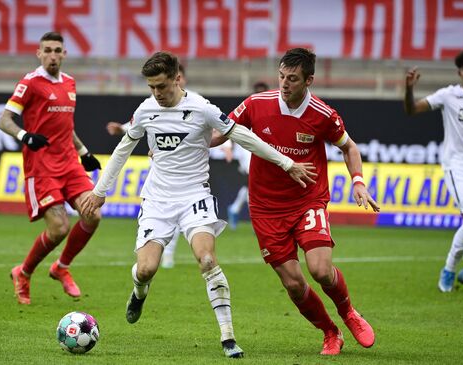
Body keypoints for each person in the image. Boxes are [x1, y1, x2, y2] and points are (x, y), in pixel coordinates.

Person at [82, 51, 316, 358]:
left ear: (177, 78)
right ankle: (139, 291)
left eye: (162, 86)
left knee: (207, 260)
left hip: (195, 195)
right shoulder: (146, 111)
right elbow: (123, 150)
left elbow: (243, 135)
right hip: (158, 200)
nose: (157, 94)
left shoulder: (201, 108)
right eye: (151, 87)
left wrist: (286, 163)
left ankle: (228, 337)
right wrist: (100, 191)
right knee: (146, 269)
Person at [214, 48, 380, 356]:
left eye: (292, 78)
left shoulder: (323, 114)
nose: (285, 83)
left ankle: (349, 312)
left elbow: (350, 147)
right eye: (281, 76)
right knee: (293, 284)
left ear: (309, 80)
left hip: (307, 199)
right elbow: (220, 133)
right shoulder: (256, 104)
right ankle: (330, 332)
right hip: (265, 207)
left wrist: (358, 181)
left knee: (320, 270)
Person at [0, 31, 102, 305]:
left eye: (57, 50)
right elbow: (4, 120)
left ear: (64, 54)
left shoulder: (69, 83)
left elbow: (66, 127)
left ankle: (61, 267)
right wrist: (25, 136)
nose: (53, 55)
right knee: (58, 228)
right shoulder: (30, 83)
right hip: (42, 166)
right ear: (39, 53)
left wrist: (84, 152)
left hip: (69, 163)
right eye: (48, 50)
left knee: (93, 215)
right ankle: (23, 272)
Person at [404, 50, 463, 294]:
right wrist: (409, 90)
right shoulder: (448, 95)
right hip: (457, 166)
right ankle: (448, 270)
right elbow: (412, 110)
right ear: (459, 73)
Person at [105, 64, 190, 269]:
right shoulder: (154, 103)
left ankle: (167, 255)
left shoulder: (194, 104)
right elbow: (141, 121)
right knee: (158, 214)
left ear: (179, 79)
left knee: (180, 215)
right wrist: (122, 129)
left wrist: (225, 146)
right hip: (161, 170)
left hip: (186, 173)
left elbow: (214, 128)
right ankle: (151, 252)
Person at [226, 81, 270, 229]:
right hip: (247, 149)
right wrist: (230, 148)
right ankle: (257, 220)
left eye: (262, 92)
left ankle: (235, 209)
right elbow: (232, 127)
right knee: (254, 183)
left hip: (262, 149)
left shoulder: (271, 109)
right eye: (257, 92)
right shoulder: (248, 107)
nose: (260, 95)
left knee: (251, 186)